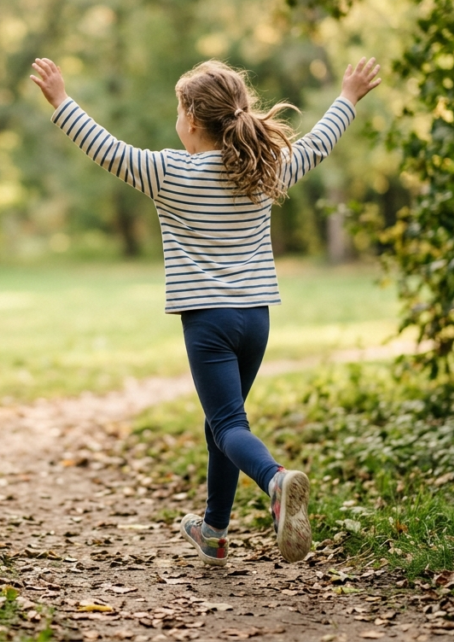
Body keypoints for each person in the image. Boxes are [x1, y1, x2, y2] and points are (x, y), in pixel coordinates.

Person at [30, 56, 381, 565]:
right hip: (255, 319)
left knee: (228, 424)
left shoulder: (167, 172)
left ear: (192, 119)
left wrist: (61, 100)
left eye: (179, 111)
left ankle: (275, 481)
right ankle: (214, 531)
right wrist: (347, 97)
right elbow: (317, 144)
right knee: (222, 422)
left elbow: (104, 148)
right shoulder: (263, 169)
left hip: (208, 322)